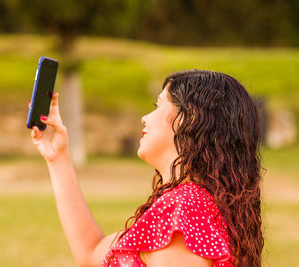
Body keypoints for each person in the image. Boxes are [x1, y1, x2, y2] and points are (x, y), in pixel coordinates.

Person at [30, 70, 264, 267]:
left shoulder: (185, 210)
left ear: (188, 119)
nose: (145, 117)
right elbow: (90, 252)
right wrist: (58, 157)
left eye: (158, 105)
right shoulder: (191, 205)